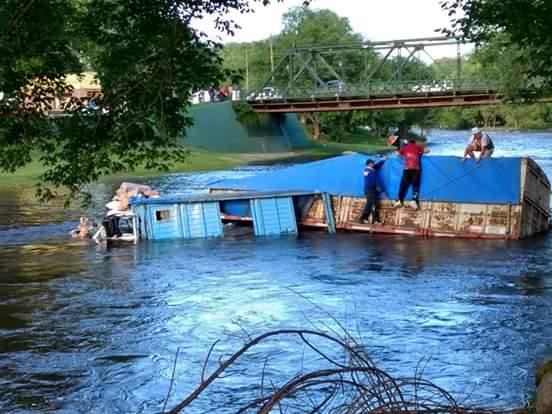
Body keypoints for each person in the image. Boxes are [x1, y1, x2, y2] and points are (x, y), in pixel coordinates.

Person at [394, 138, 429, 209]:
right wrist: (422, 151)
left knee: (403, 185)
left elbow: (397, 154)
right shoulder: (417, 147)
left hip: (407, 168)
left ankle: (399, 200)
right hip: (416, 169)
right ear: (414, 142)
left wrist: (400, 153)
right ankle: (413, 200)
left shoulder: (405, 147)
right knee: (415, 185)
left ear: (408, 143)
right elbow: (427, 151)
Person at [359, 157, 386, 224]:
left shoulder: (367, 170)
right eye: (373, 163)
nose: (374, 163)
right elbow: (375, 181)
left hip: (368, 190)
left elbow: (376, 166)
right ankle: (375, 220)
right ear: (370, 164)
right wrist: (381, 190)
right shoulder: (371, 171)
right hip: (371, 190)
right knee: (373, 205)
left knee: (369, 205)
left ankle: (363, 218)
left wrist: (383, 160)